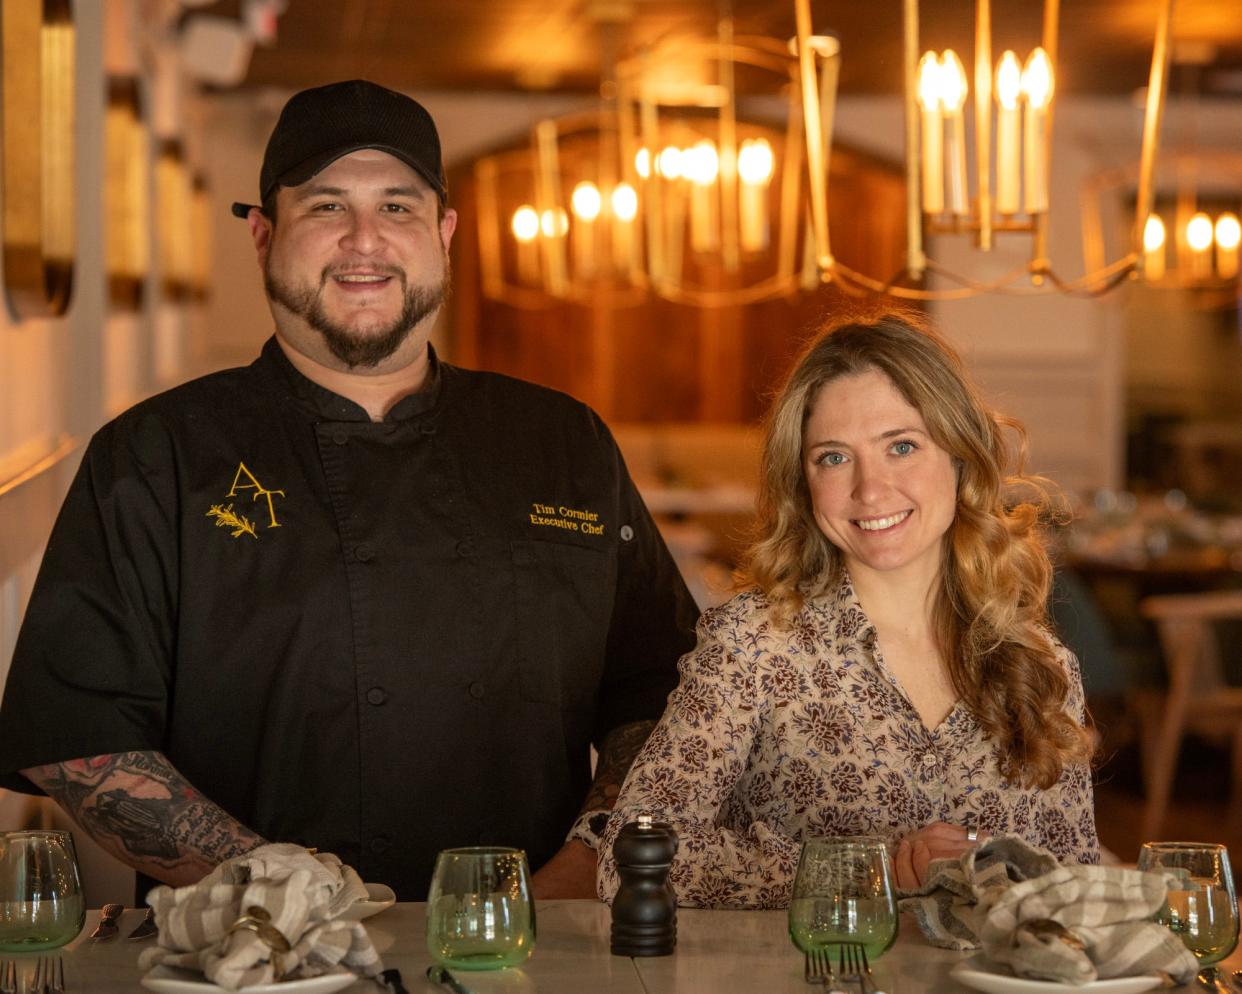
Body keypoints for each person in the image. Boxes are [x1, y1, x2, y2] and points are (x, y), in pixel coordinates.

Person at [0, 80, 698, 901]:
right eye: (326, 207)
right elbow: (83, 738)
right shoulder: (156, 454)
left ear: (444, 234)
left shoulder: (564, 442)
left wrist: (580, 871)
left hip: (531, 953)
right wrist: (285, 892)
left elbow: (667, 691)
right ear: (262, 237)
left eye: (398, 208)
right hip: (250, 961)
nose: (364, 241)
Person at [597, 310, 1099, 909]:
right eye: (833, 457)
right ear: (803, 481)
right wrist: (872, 869)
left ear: (961, 458)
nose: (869, 489)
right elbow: (630, 855)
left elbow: (1075, 899)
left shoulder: (1042, 665)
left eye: (902, 447)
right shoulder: (753, 645)